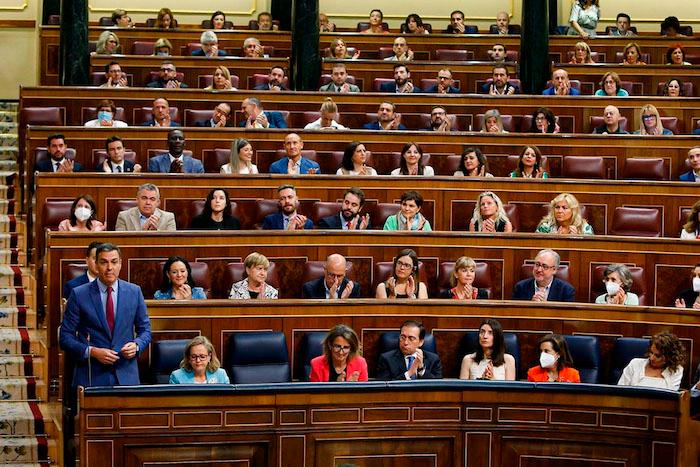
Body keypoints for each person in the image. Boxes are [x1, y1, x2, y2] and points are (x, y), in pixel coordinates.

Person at [59, 243, 151, 387]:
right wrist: (92, 352)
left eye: (114, 262)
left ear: (120, 263)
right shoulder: (79, 294)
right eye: (104, 262)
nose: (109, 268)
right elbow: (65, 337)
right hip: (91, 375)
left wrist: (137, 345)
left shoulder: (134, 292)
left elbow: (145, 330)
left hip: (126, 375)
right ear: (96, 264)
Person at [376, 320, 443, 380]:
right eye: (402, 337)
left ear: (420, 342)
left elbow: (438, 386)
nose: (405, 342)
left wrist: (421, 370)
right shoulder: (386, 359)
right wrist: (409, 373)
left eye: (411, 338)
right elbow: (384, 388)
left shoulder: (433, 359)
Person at [618, 332, 685, 390]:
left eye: (657, 356)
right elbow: (620, 391)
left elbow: (670, 397)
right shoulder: (635, 364)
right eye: (651, 352)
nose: (651, 358)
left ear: (669, 357)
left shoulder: (676, 370)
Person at [512, 249, 576, 302]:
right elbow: (514, 314)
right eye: (537, 264)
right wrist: (530, 306)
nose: (539, 270)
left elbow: (566, 316)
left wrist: (547, 307)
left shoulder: (566, 290)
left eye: (545, 266)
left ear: (554, 270)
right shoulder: (520, 287)